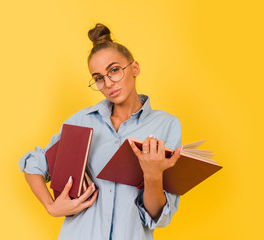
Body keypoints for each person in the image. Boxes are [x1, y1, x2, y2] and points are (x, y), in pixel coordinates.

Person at [19, 23, 183, 240]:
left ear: (134, 68)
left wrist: (153, 176)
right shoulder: (82, 121)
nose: (108, 83)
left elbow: (158, 218)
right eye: (98, 78)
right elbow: (34, 163)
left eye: (114, 70)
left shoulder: (166, 125)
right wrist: (51, 206)